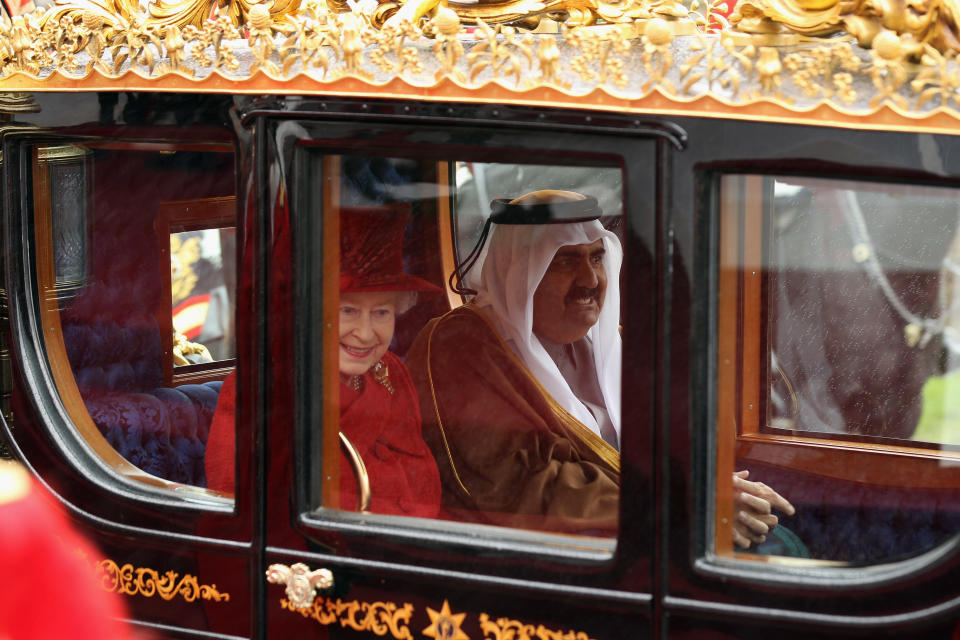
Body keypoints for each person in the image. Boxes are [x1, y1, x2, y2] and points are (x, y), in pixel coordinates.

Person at [407, 190, 794, 544]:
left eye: (596, 257)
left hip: (638, 523)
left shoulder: (606, 342)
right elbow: (526, 489)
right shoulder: (460, 345)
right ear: (519, 271)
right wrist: (681, 505)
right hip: (548, 552)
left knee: (782, 543)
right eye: (565, 261)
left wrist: (709, 490)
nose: (590, 280)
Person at [205, 204, 443, 518]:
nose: (365, 332)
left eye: (381, 312)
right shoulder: (262, 386)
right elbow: (246, 517)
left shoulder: (391, 372)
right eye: (348, 311)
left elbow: (425, 489)